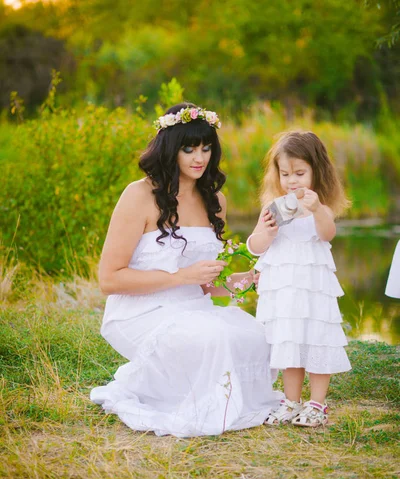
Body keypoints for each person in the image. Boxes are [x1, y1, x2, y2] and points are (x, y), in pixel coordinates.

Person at [90, 103, 281, 437]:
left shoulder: (214, 200)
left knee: (256, 336)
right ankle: (188, 399)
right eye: (189, 148)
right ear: (170, 148)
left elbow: (210, 286)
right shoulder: (139, 195)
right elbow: (109, 279)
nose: (200, 157)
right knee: (215, 337)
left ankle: (229, 400)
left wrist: (249, 280)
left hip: (194, 307)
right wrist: (181, 277)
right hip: (141, 310)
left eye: (207, 148)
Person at [247, 131, 351, 427]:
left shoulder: (321, 209)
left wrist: (317, 209)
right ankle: (291, 401)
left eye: (300, 173)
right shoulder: (273, 209)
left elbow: (327, 233)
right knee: (288, 342)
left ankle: (316, 404)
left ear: (317, 172)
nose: (292, 181)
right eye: (285, 174)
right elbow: (254, 246)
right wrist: (267, 233)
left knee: (317, 340)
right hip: (283, 290)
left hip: (312, 288)